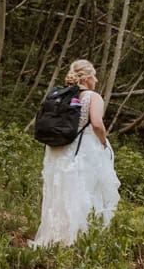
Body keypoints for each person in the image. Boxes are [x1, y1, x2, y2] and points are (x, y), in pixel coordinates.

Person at [33, 59, 120, 247]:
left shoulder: (62, 95)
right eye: (94, 76)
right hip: (83, 149)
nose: (96, 80)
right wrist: (104, 141)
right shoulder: (92, 97)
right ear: (87, 78)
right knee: (84, 190)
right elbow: (96, 123)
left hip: (58, 148)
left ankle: (55, 236)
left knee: (60, 190)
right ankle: (79, 237)